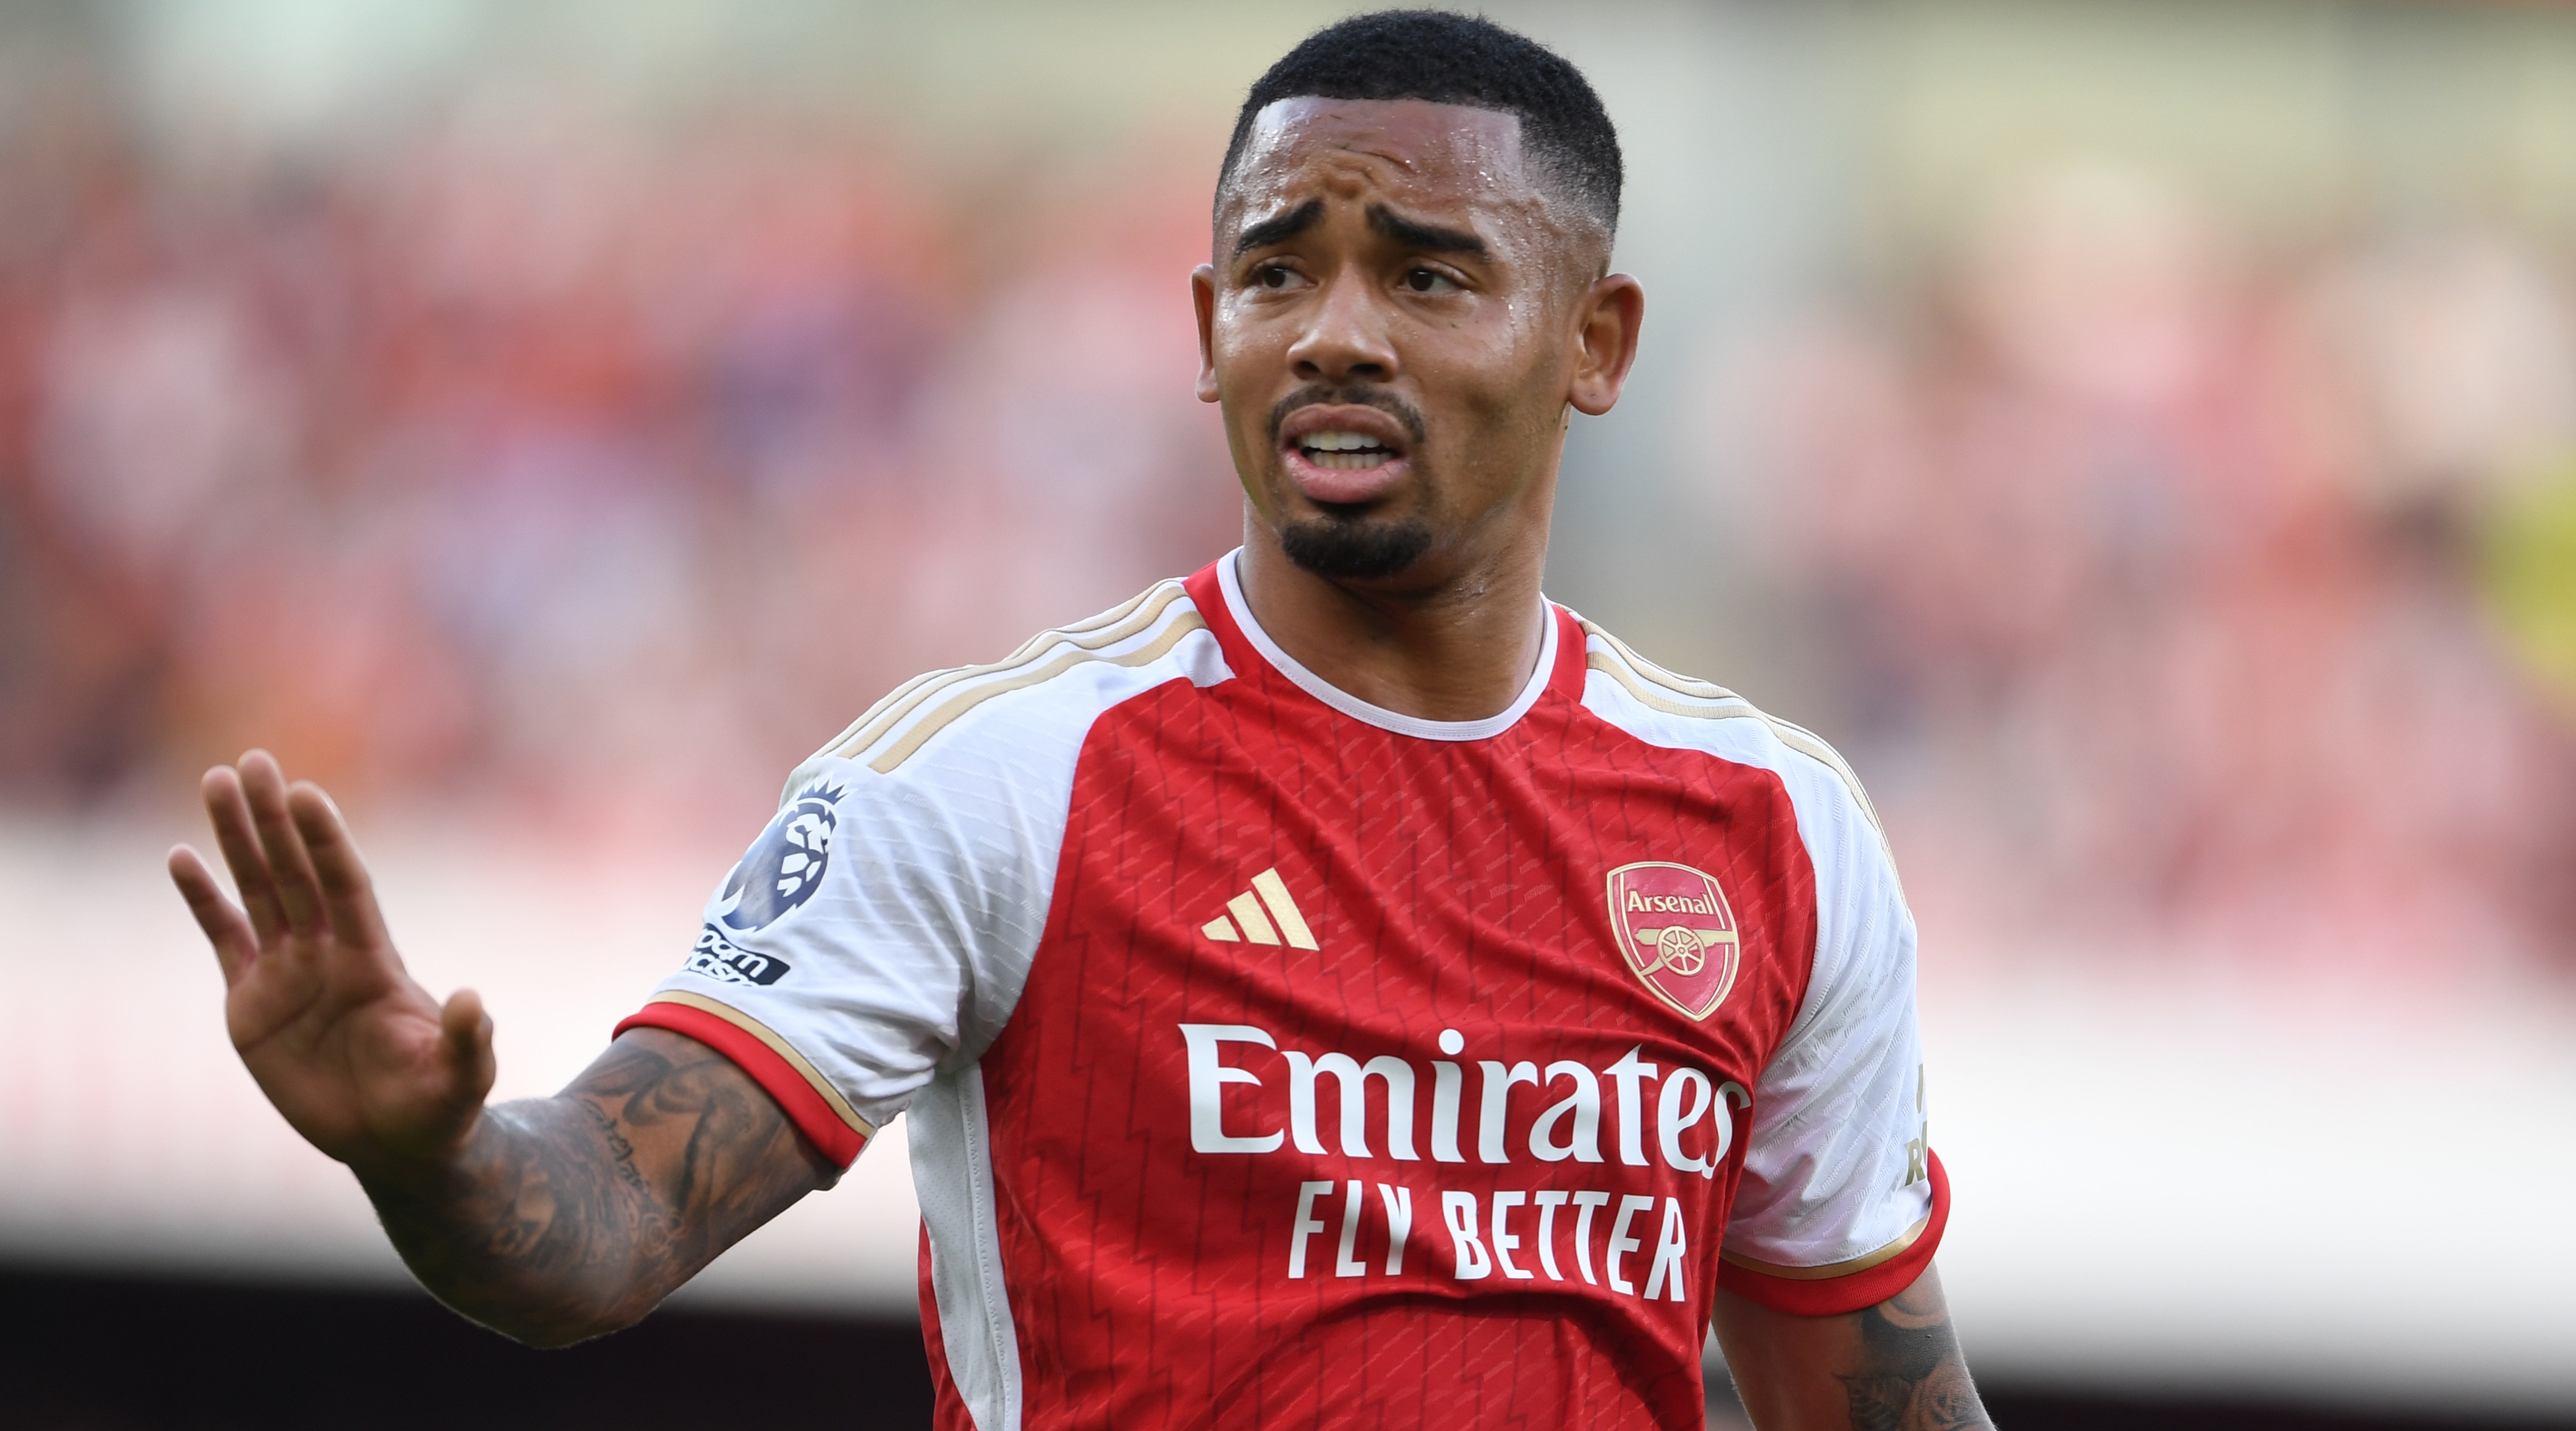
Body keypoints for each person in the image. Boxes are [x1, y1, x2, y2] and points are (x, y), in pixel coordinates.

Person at [170, 12, 1989, 1429]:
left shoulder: (1769, 822)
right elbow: (592, 1232)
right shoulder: (995, 780)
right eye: (1278, 272)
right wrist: (429, 1154)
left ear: (1594, 343)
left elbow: (1873, 1394)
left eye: (1427, 273)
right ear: (1209, 326)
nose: (1334, 333)